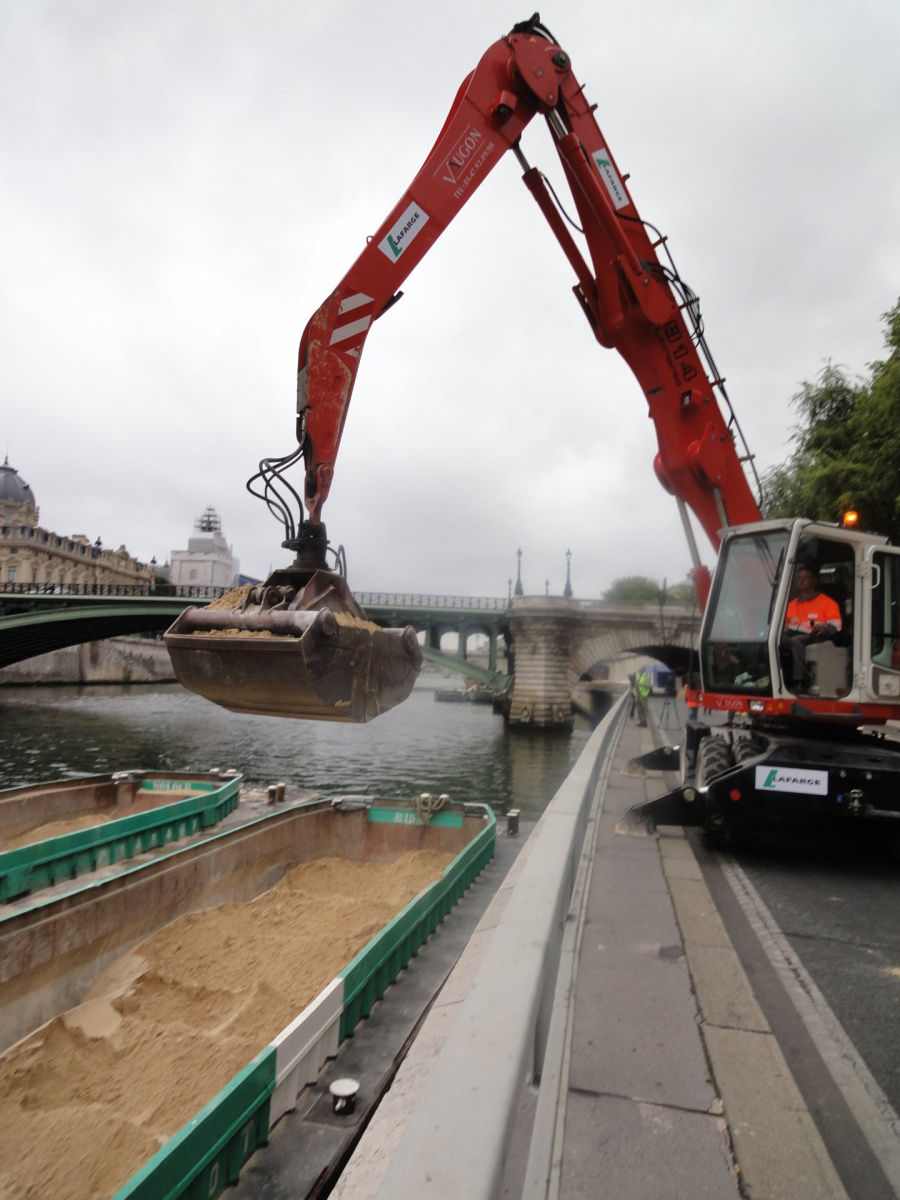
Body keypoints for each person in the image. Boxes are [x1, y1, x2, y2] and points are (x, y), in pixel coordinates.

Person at [782, 564, 842, 689]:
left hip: (815, 636)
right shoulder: (791, 604)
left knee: (796, 641)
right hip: (791, 634)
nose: (801, 581)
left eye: (805, 578)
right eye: (799, 578)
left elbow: (836, 624)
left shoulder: (828, 603)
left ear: (814, 581)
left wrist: (822, 628)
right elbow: (785, 626)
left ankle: (800, 681)